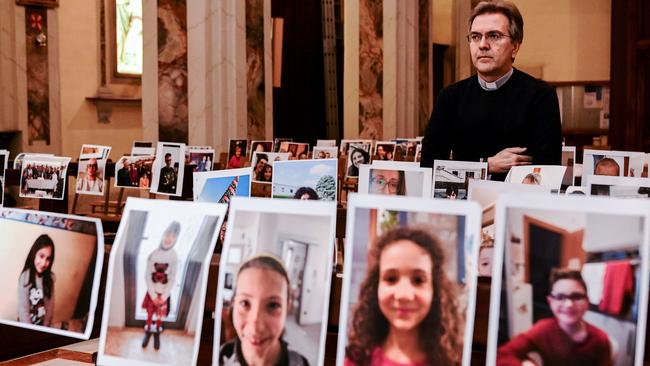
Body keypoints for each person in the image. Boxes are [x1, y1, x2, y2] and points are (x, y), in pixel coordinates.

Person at [420, 1, 562, 181]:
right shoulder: (450, 97)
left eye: (494, 36)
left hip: (516, 203)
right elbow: (428, 165)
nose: (483, 45)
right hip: (464, 204)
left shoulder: (540, 96)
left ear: (515, 46)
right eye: (475, 36)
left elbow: (548, 170)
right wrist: (485, 166)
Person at [345, 227, 462, 366]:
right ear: (376, 287)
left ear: (435, 290)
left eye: (418, 280)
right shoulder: (357, 359)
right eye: (391, 279)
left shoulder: (452, 361)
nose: (403, 295)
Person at [497, 268, 611, 366]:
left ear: (587, 301)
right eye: (560, 297)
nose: (568, 304)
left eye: (576, 296)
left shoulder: (600, 339)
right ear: (550, 301)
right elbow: (501, 354)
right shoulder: (543, 329)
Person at [219, 255, 309, 366]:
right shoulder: (220, 356)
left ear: (287, 307)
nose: (256, 327)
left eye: (272, 305)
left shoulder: (300, 363)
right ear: (234, 303)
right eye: (245, 303)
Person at [142, 221, 180, 350]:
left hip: (164, 294)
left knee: (160, 315)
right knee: (150, 313)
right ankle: (148, 331)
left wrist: (164, 296)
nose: (169, 238)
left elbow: (172, 278)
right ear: (162, 234)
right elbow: (147, 275)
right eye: (167, 234)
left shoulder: (174, 256)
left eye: (173, 236)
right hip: (152, 292)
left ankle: (157, 330)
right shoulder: (154, 254)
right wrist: (153, 295)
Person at [18, 234, 55, 326]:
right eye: (41, 256)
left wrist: (45, 327)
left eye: (48, 259)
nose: (43, 263)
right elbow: (23, 311)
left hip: (42, 325)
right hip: (26, 324)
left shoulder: (50, 278)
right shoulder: (25, 277)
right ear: (34, 253)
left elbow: (50, 307)